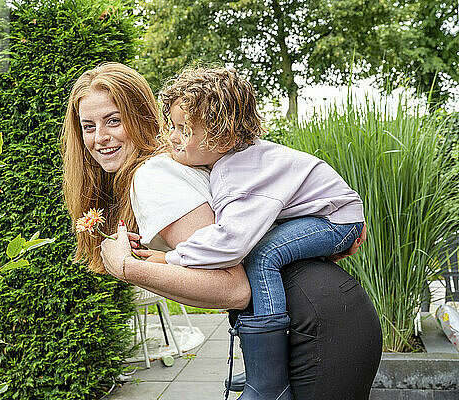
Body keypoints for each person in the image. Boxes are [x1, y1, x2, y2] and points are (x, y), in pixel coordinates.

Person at [62, 62, 382, 399]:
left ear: (141, 117)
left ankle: (266, 378)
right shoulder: (192, 158)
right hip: (321, 313)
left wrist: (129, 268)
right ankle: (264, 374)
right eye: (88, 126)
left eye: (114, 120)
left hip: (319, 325)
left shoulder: (153, 175)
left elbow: (232, 287)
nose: (100, 137)